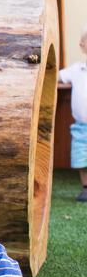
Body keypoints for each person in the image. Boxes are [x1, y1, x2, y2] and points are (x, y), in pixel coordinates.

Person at [59, 24, 87, 202]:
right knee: (81, 158)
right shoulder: (76, 70)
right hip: (81, 126)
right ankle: (86, 188)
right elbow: (58, 76)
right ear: (82, 45)